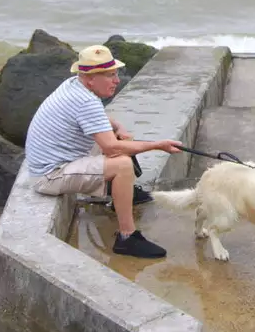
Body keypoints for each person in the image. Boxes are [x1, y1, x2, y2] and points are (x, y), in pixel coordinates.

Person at [23, 44, 182, 257]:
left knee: (115, 139)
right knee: (123, 164)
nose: (116, 80)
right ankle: (127, 237)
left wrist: (118, 127)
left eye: (116, 74)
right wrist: (157, 145)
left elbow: (99, 121)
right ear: (90, 78)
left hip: (55, 162)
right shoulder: (85, 100)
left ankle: (124, 195)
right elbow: (111, 147)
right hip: (50, 175)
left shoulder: (74, 85)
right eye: (110, 75)